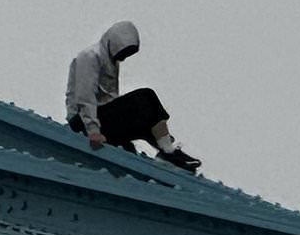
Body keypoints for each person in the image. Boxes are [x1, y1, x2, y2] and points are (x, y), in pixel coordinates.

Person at [65, 21, 202, 172]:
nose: (123, 57)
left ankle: (168, 152)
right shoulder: (90, 57)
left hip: (100, 119)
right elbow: (85, 99)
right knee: (146, 97)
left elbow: (110, 100)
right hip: (82, 122)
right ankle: (167, 151)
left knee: (144, 118)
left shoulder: (111, 63)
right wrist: (93, 132)